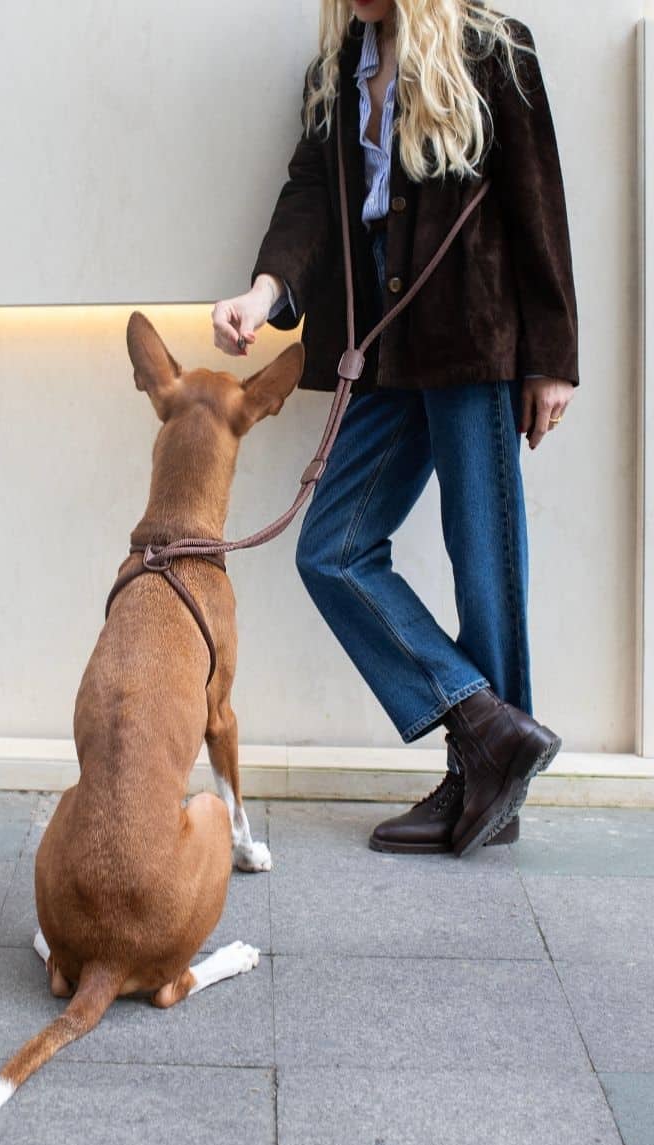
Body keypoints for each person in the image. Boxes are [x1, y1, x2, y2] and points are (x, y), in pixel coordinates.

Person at [210, 0, 578, 856]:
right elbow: (310, 199)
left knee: (482, 556)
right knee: (332, 548)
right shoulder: (337, 70)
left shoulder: (493, 48)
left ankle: (481, 783)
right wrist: (265, 296)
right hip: (376, 340)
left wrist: (552, 356)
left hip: (470, 332)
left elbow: (538, 201)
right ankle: (491, 739)